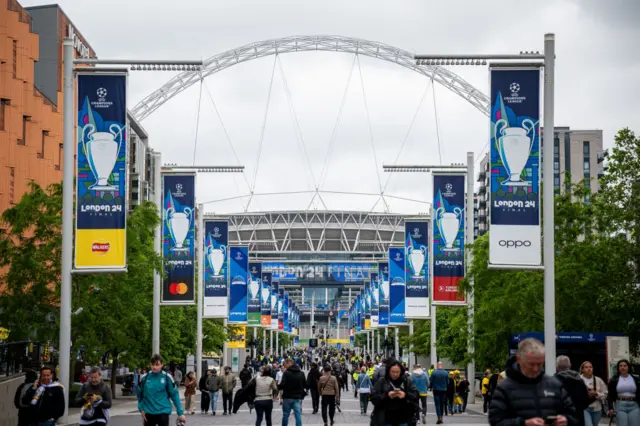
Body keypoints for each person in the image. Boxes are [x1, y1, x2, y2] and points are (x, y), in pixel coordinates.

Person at [489, 338, 577, 426]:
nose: (536, 369)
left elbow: (574, 415)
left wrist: (566, 420)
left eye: (540, 364)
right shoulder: (504, 388)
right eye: (531, 364)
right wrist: (524, 423)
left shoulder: (555, 385)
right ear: (519, 359)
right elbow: (496, 421)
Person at [136, 354, 185, 426]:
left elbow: (174, 395)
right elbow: (140, 395)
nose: (154, 367)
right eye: (152, 364)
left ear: (162, 364)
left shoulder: (167, 377)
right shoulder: (144, 378)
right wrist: (141, 408)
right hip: (148, 413)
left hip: (163, 412)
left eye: (157, 364)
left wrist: (180, 413)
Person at [370, 360, 419, 426]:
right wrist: (387, 395)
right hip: (385, 419)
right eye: (392, 372)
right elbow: (374, 398)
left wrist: (405, 395)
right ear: (388, 371)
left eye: (397, 372)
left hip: (404, 419)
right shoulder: (382, 381)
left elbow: (415, 395)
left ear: (401, 371)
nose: (395, 374)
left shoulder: (406, 381)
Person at [555, 356, 589, 426]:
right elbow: (585, 402)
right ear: (570, 366)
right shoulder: (580, 381)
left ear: (557, 367)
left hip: (561, 420)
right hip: (578, 419)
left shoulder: (554, 381)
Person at [607, 359, 640, 426]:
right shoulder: (614, 379)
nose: (623, 367)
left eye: (625, 366)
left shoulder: (635, 378)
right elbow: (610, 395)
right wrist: (610, 408)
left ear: (628, 367)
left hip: (634, 404)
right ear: (618, 368)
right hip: (620, 404)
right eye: (620, 366)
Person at [279, 359, 306, 426]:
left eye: (285, 364)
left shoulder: (286, 373)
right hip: (297, 397)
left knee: (285, 414)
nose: (284, 366)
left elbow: (283, 385)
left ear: (289, 363)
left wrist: (277, 387)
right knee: (298, 414)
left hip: (287, 397)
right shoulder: (301, 373)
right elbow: (305, 385)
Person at [579, 361, 607, 426]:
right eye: (586, 367)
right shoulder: (578, 379)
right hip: (583, 408)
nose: (589, 368)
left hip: (596, 408)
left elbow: (605, 394)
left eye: (590, 367)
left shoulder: (598, 380)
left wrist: (596, 394)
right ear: (582, 369)